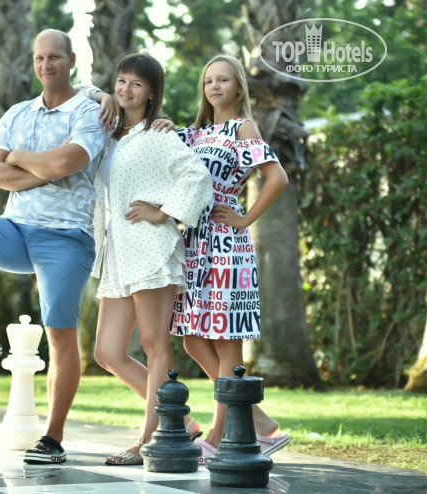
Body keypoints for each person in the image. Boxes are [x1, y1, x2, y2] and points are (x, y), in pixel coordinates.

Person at [0, 29, 108, 465]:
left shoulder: (90, 111)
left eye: (55, 57)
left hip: (67, 237)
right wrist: (44, 167)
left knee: (59, 336)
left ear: (71, 60)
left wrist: (18, 157)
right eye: (39, 58)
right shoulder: (16, 114)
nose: (46, 65)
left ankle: (53, 437)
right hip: (15, 229)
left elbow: (69, 161)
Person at [154, 54, 291, 463]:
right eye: (209, 80)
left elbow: (277, 177)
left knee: (224, 340)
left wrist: (245, 218)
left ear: (238, 87)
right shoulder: (194, 134)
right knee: (194, 338)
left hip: (227, 244)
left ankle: (219, 434)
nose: (214, 86)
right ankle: (258, 421)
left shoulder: (240, 128)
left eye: (223, 80)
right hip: (194, 243)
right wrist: (163, 125)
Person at [89, 53, 212, 466]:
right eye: (121, 81)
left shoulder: (159, 135)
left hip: (152, 248)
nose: (126, 89)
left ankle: (149, 440)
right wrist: (103, 95)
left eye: (136, 84)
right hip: (118, 253)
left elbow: (197, 177)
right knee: (108, 352)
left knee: (154, 345)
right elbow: (81, 92)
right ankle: (180, 421)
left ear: (152, 93)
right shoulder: (111, 134)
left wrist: (164, 212)